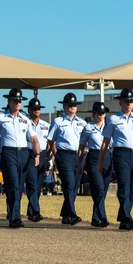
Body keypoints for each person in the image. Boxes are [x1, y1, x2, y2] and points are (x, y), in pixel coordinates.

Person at [96, 88, 133, 231]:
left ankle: (124, 219)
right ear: (120, 102)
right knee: (123, 184)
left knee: (131, 187)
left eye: (131, 101)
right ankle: (127, 217)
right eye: (125, 101)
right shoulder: (113, 119)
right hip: (120, 153)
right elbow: (105, 141)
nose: (128, 104)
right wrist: (100, 161)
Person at [0, 87, 41, 228]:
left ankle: (13, 213)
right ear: (9, 101)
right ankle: (14, 217)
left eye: (19, 100)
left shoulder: (25, 119)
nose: (17, 103)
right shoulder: (0, 118)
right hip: (8, 153)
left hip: (23, 153)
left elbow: (34, 139)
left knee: (19, 185)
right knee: (12, 185)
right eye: (14, 100)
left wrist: (37, 154)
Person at [46, 92, 86, 225]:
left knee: (74, 186)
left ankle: (66, 214)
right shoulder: (58, 122)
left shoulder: (82, 123)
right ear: (64, 106)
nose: (72, 107)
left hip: (78, 155)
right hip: (64, 155)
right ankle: (72, 214)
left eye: (74, 105)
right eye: (69, 105)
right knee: (68, 184)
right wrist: (48, 158)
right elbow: (50, 141)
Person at [80, 101, 111, 227]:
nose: (101, 115)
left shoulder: (109, 126)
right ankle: (102, 217)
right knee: (98, 188)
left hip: (107, 156)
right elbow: (81, 145)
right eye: (98, 113)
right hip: (94, 155)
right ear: (93, 114)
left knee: (103, 189)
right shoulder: (88, 127)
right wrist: (79, 163)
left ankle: (95, 217)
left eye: (103, 113)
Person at [25, 97, 51, 222]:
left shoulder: (46, 125)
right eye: (34, 109)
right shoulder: (25, 123)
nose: (36, 111)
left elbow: (50, 143)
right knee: (32, 183)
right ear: (29, 110)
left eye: (38, 109)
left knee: (38, 185)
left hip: (43, 155)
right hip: (29, 154)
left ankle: (31, 212)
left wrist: (49, 159)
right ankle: (36, 211)